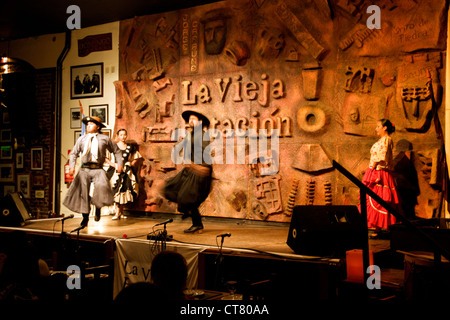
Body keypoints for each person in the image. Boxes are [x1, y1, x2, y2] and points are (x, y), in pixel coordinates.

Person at [63, 116, 124, 228]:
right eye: (88, 124)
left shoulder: (104, 139)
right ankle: (85, 217)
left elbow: (117, 151)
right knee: (83, 193)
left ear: (98, 127)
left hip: (98, 168)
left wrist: (119, 164)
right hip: (85, 169)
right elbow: (73, 153)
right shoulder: (82, 139)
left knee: (101, 187)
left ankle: (98, 208)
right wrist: (71, 166)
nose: (88, 126)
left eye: (91, 124)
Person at [163, 110, 212, 233]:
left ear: (200, 122)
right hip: (190, 171)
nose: (190, 121)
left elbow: (206, 158)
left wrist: (197, 167)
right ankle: (188, 211)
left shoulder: (202, 136)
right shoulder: (191, 134)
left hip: (199, 172)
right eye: (189, 119)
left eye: (193, 119)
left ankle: (195, 221)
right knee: (170, 188)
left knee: (188, 199)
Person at [360, 119, 399, 238]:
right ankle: (375, 226)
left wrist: (373, 168)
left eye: (378, 126)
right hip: (376, 169)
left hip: (379, 172)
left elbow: (382, 156)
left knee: (379, 198)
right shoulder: (382, 140)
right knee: (373, 197)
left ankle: (381, 226)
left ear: (385, 128)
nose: (376, 129)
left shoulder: (387, 139)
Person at [105, 128, 142, 220]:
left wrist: (131, 163)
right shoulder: (113, 146)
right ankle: (117, 212)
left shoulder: (130, 147)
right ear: (117, 136)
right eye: (121, 135)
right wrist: (113, 164)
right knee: (116, 189)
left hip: (126, 171)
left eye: (124, 135)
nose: (123, 137)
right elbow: (105, 157)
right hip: (116, 171)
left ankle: (120, 212)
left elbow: (136, 157)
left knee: (125, 189)